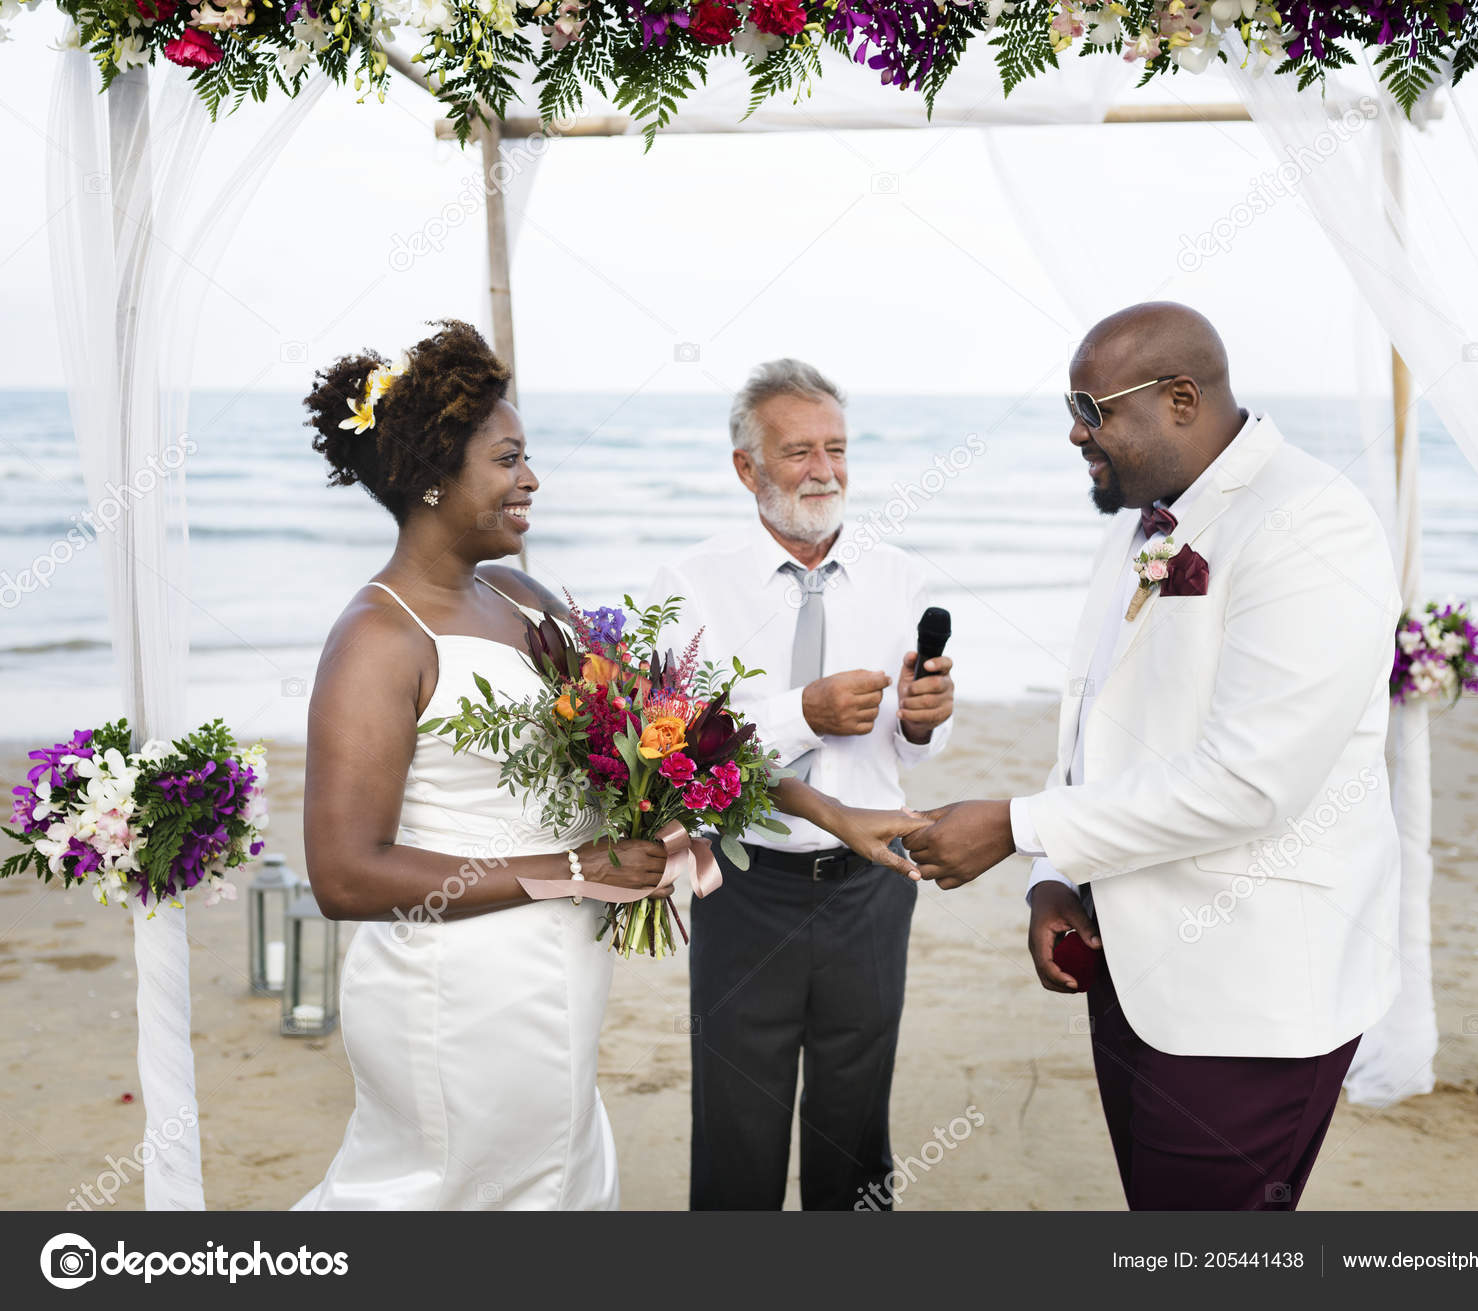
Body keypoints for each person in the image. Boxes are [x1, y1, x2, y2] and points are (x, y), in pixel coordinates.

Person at [294, 322, 916, 1210]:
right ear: (434, 476)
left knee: (555, 1185)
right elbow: (345, 875)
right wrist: (575, 869)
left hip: (562, 975)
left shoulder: (516, 595)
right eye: (508, 459)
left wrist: (830, 813)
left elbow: (674, 736)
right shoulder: (376, 638)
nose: (531, 480)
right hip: (456, 989)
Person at [905, 303, 1403, 1212]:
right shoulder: (1145, 519)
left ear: (1180, 398)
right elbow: (1101, 726)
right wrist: (1053, 877)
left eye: (1092, 408)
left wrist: (1015, 828)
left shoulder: (1311, 522)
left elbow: (1251, 782)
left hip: (1250, 999)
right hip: (1130, 967)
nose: (1074, 429)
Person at [645, 359, 956, 1211]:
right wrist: (801, 713)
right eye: (798, 452)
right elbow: (673, 754)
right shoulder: (691, 584)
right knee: (737, 1127)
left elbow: (913, 748)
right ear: (746, 468)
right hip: (746, 888)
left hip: (869, 890)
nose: (824, 470)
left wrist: (925, 717)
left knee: (856, 1131)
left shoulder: (901, 577)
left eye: (838, 449)